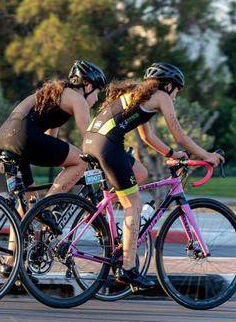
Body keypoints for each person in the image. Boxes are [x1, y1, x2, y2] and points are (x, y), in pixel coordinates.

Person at [83, 62, 224, 288]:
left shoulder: (137, 96)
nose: (176, 97)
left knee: (141, 173)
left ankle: (99, 217)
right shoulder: (161, 97)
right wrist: (206, 155)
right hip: (108, 147)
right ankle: (128, 268)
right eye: (177, 90)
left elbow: (148, 137)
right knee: (134, 205)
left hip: (92, 141)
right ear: (169, 86)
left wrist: (170, 154)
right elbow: (179, 134)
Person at [0, 60, 106, 275]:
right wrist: (104, 159)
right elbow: (89, 141)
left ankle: (10, 262)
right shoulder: (78, 99)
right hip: (23, 138)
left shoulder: (55, 94)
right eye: (97, 93)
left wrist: (62, 168)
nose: (96, 99)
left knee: (27, 203)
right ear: (88, 86)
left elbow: (50, 137)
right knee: (82, 161)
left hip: (3, 139)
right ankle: (48, 208)